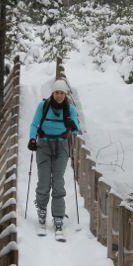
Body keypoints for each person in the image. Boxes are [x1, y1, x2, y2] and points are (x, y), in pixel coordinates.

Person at [27, 80, 81, 232]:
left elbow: (77, 129)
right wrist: (32, 138)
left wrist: (72, 125)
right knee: (44, 180)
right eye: (56, 92)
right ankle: (42, 208)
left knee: (58, 181)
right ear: (52, 93)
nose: (59, 95)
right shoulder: (43, 106)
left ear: (66, 94)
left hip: (61, 146)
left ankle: (58, 216)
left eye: (62, 93)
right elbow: (34, 124)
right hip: (43, 145)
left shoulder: (70, 109)